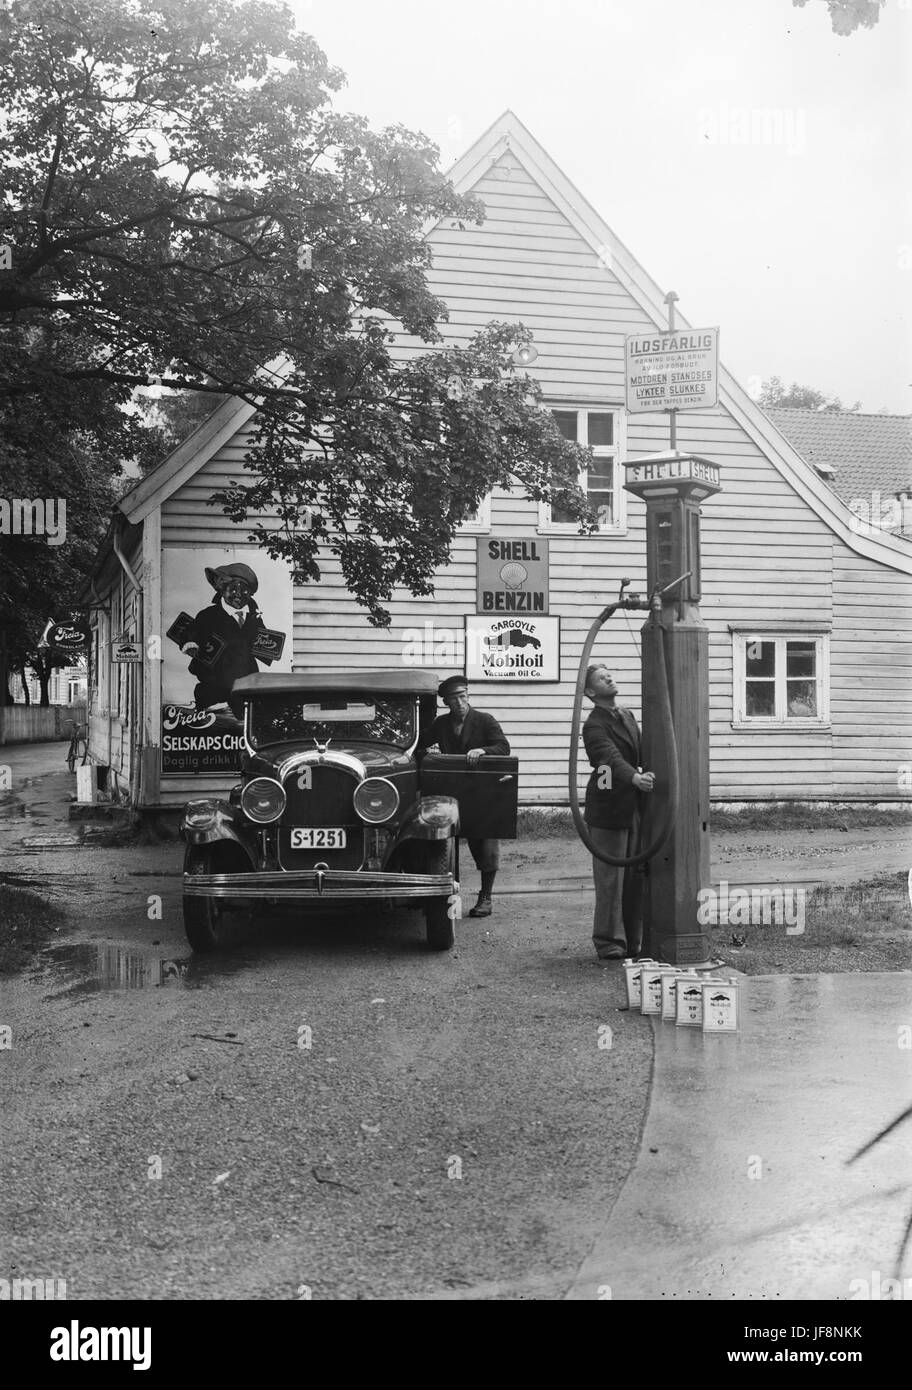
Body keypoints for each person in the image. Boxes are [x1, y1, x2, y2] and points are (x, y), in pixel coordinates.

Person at [417, 675, 510, 918]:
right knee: (445, 844)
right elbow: (421, 743)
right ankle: (448, 901)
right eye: (453, 699)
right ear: (446, 702)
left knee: (485, 843)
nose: (459, 702)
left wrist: (483, 750)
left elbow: (503, 747)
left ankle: (486, 898)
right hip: (452, 791)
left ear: (468, 696)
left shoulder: (484, 720)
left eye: (462, 697)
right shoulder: (442, 724)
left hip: (481, 792)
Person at [582, 664, 655, 962]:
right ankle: (608, 941)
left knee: (635, 875)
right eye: (601, 678)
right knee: (611, 877)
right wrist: (634, 777)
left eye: (609, 674)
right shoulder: (593, 725)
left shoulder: (626, 715)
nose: (609, 678)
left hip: (634, 805)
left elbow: (642, 751)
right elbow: (607, 758)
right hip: (608, 806)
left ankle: (633, 940)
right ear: (590, 692)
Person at [179, 563, 273, 712]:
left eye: (245, 590)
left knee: (244, 722)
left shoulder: (254, 619)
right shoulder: (209, 615)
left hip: (244, 686)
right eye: (233, 589)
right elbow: (192, 631)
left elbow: (265, 642)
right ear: (222, 590)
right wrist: (191, 643)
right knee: (215, 721)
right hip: (214, 683)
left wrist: (270, 648)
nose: (239, 594)